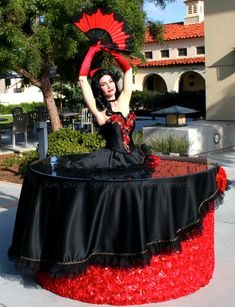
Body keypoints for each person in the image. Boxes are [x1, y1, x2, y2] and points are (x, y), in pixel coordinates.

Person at [65, 41, 151, 169]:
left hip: (135, 156)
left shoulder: (124, 99)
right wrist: (91, 51)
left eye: (110, 81)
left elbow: (128, 70)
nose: (109, 85)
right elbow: (82, 79)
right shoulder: (100, 111)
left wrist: (113, 53)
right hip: (112, 161)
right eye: (103, 84)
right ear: (99, 89)